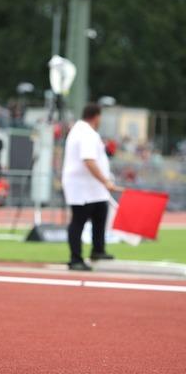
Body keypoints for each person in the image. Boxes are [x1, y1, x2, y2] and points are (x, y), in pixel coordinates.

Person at [61, 103, 121, 271]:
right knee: (79, 220)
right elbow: (88, 160)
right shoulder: (85, 133)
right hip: (82, 186)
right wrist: (105, 181)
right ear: (96, 116)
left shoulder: (84, 131)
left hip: (92, 186)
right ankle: (75, 258)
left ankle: (98, 249)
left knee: (101, 212)